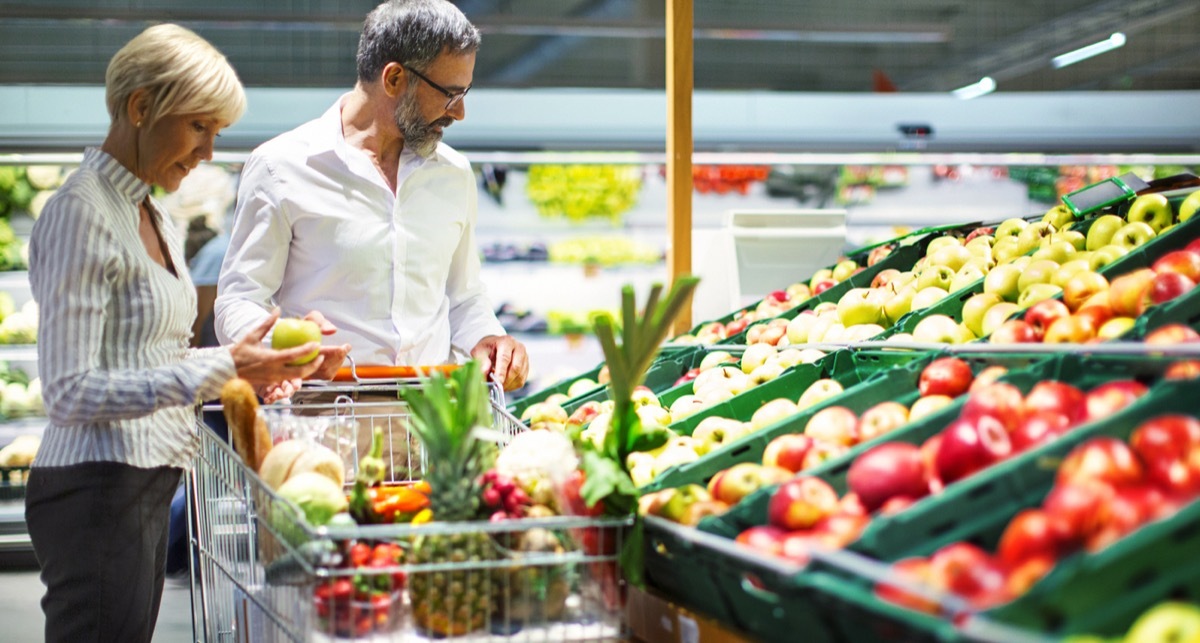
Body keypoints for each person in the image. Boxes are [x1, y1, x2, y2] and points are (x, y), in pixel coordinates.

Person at [25, 24, 348, 642]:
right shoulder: (81, 211)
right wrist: (228, 367)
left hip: (144, 480)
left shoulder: (154, 212)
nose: (207, 151)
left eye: (216, 133)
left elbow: (157, 358)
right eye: (199, 126)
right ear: (141, 107)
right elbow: (69, 392)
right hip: (96, 488)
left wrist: (268, 358)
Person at [214, 0, 529, 391]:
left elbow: (462, 296)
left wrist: (487, 339)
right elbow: (239, 301)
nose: (460, 112)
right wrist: (283, 345)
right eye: (450, 94)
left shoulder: (453, 174)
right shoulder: (281, 167)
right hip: (323, 424)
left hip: (430, 428)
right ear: (394, 78)